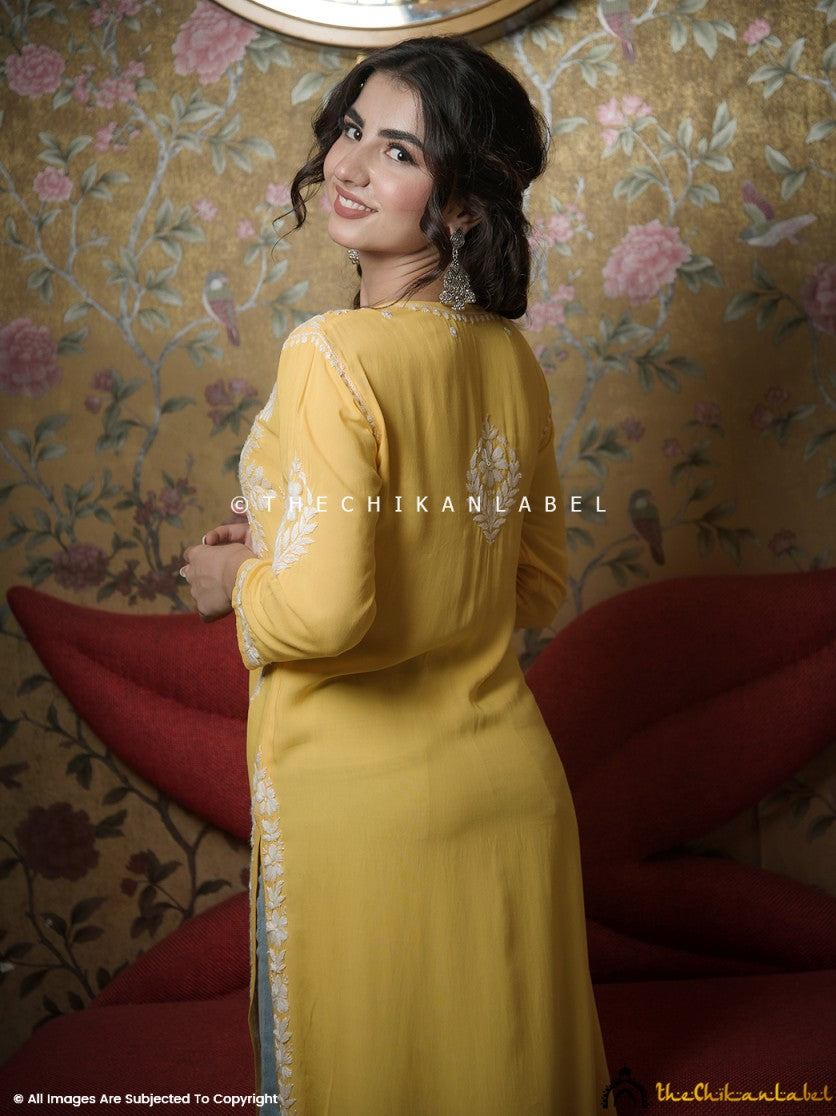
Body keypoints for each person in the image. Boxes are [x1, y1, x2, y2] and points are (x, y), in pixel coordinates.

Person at [182, 35, 609, 1115]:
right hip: (508, 800)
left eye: (401, 152)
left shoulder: (329, 354)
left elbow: (325, 617)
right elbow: (533, 587)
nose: (351, 164)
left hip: (363, 821)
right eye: (351, 130)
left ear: (462, 204)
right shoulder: (510, 360)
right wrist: (300, 541)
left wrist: (233, 582)